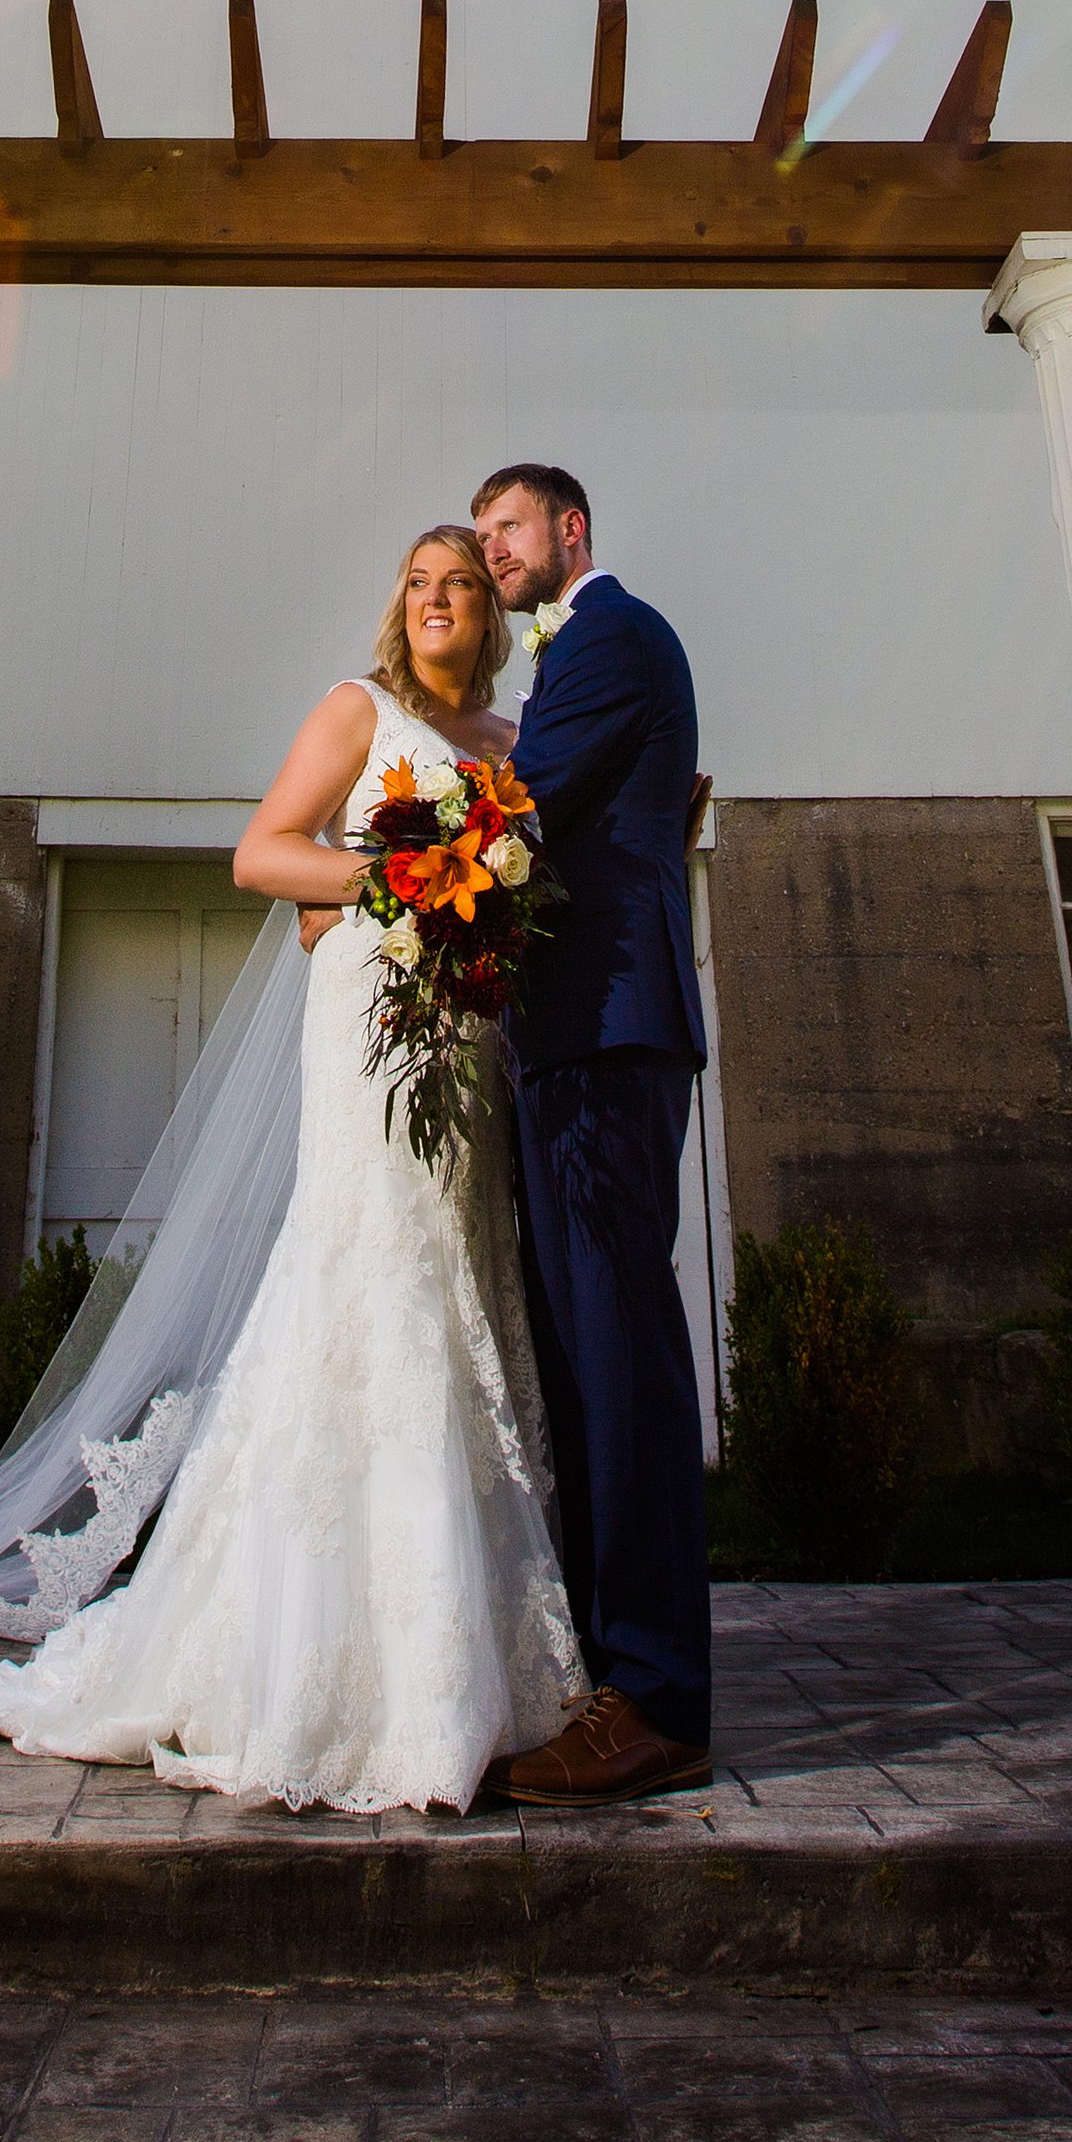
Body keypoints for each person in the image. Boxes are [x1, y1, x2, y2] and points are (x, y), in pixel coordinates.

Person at [0, 523, 583, 1813]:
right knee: (373, 1273)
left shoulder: (508, 752)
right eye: (420, 581)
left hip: (468, 1036)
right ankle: (317, 1664)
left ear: (492, 614)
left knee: (462, 1275)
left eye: (465, 581)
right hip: (370, 1029)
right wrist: (396, 880)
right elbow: (262, 852)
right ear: (399, 609)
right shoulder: (360, 710)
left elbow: (520, 892)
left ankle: (460, 1648)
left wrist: (492, 903)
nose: (443, 597)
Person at [469, 462, 713, 1802]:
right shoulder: (577, 656)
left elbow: (520, 809)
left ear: (571, 529)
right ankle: (609, 1669)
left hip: (611, 1034)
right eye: (483, 530)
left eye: (506, 526)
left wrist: (378, 871)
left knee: (620, 1360)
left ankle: (659, 1695)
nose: (492, 546)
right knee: (578, 1357)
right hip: (566, 1039)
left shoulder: (614, 631)